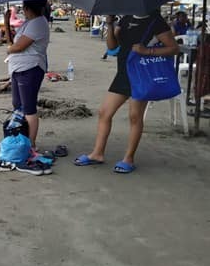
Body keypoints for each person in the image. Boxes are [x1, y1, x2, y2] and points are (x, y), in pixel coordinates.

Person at [74, 10, 178, 173]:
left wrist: (147, 51)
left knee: (135, 117)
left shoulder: (156, 21)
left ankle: (128, 158)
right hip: (123, 74)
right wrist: (110, 24)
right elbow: (112, 47)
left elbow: (173, 48)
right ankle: (97, 153)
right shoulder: (126, 19)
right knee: (104, 112)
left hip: (141, 75)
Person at [4, 0, 50, 149]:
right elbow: (12, 42)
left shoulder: (38, 23)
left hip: (30, 68)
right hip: (18, 69)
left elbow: (18, 46)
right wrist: (6, 23)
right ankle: (19, 138)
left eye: (24, 8)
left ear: (28, 8)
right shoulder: (28, 22)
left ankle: (30, 144)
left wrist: (9, 50)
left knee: (28, 107)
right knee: (18, 105)